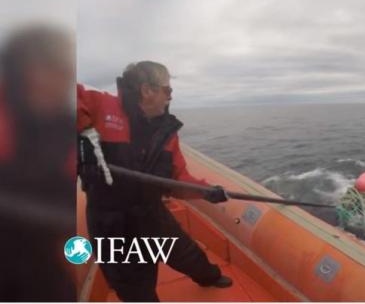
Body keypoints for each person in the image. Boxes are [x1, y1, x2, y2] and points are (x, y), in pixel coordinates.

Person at [77, 61, 232, 302]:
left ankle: (208, 277)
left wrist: (207, 192)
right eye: (167, 90)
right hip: (110, 222)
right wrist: (84, 136)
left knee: (185, 252)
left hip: (150, 212)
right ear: (147, 90)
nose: (170, 96)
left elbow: (179, 178)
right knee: (135, 286)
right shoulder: (101, 105)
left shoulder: (167, 133)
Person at [0, 24, 76, 300]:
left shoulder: (65, 125)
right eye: (53, 67)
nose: (63, 77)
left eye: (65, 68)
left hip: (43, 256)